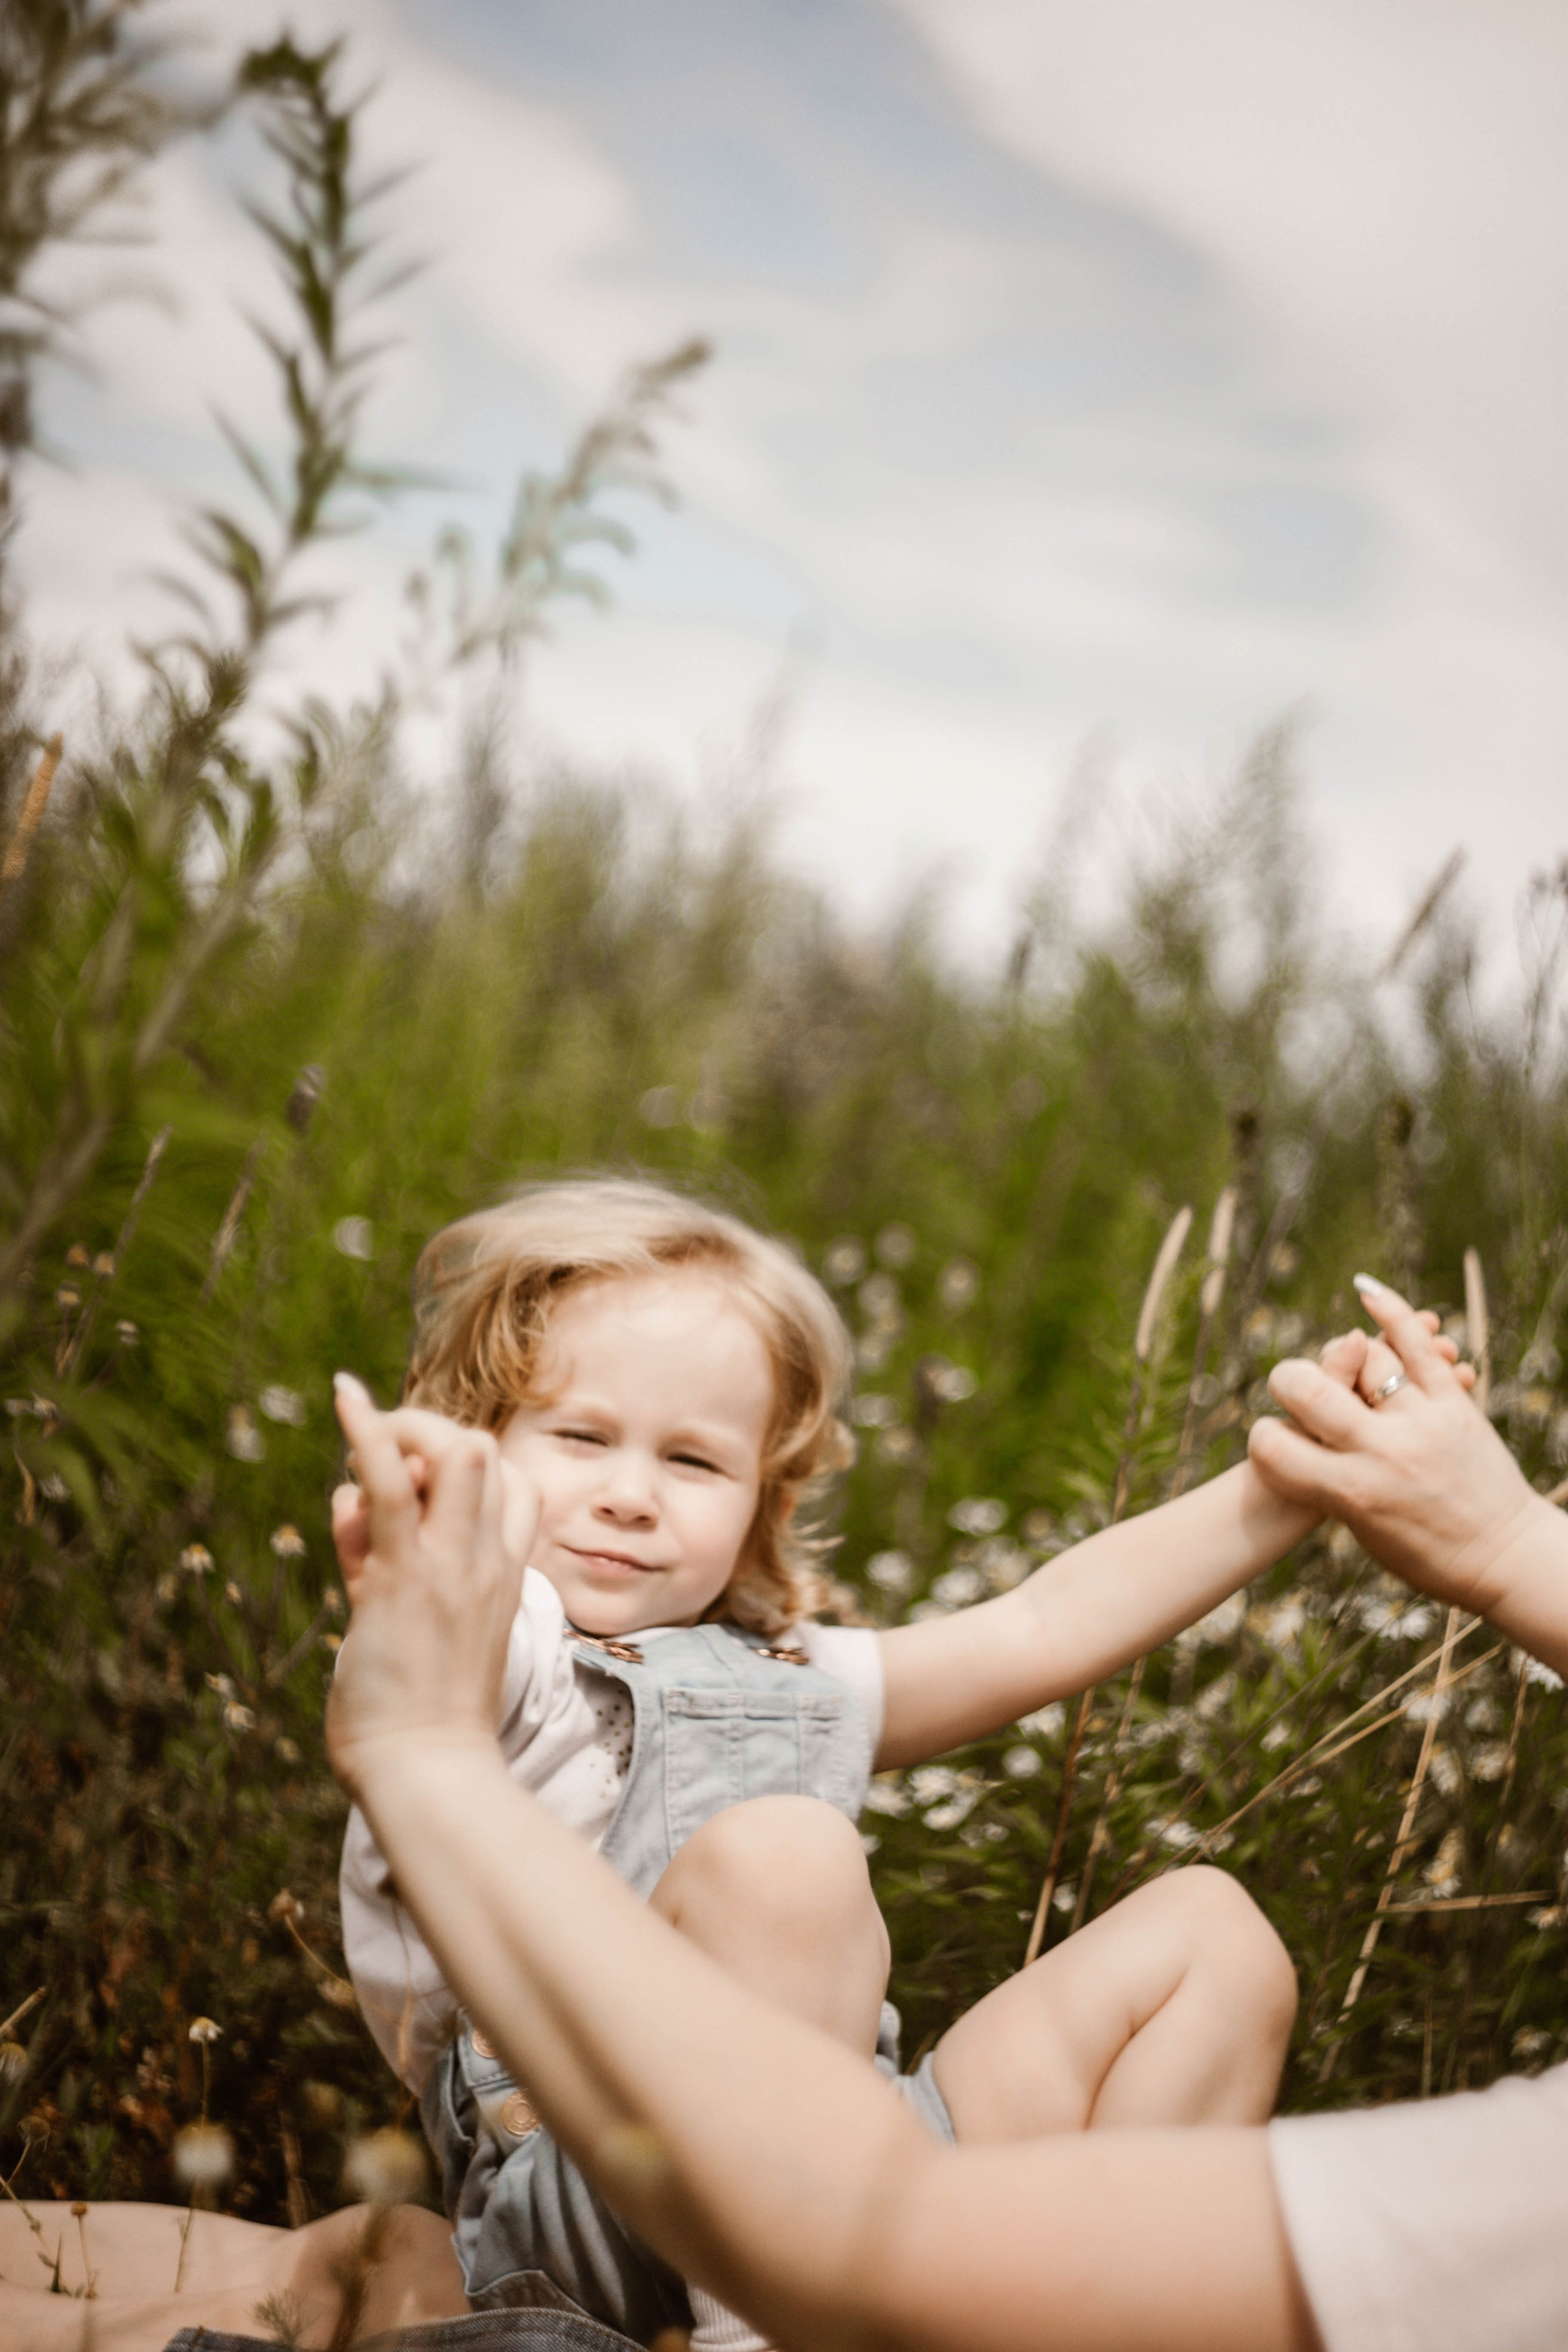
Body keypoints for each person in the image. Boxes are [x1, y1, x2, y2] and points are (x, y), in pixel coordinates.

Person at [317, 1270, 1568, 2352]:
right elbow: (439, 1642)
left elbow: (1045, 1622)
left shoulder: (783, 1679)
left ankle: (1076, 2317)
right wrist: (423, 1533)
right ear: (481, 1459)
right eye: (578, 1439)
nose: (632, 1495)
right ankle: (778, 2329)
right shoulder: (507, 1653)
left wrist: (1290, 1486)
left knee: (1213, 1936)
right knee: (784, 1855)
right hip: (605, 2185)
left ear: (759, 1501)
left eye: (692, 1460)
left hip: (865, 2177)